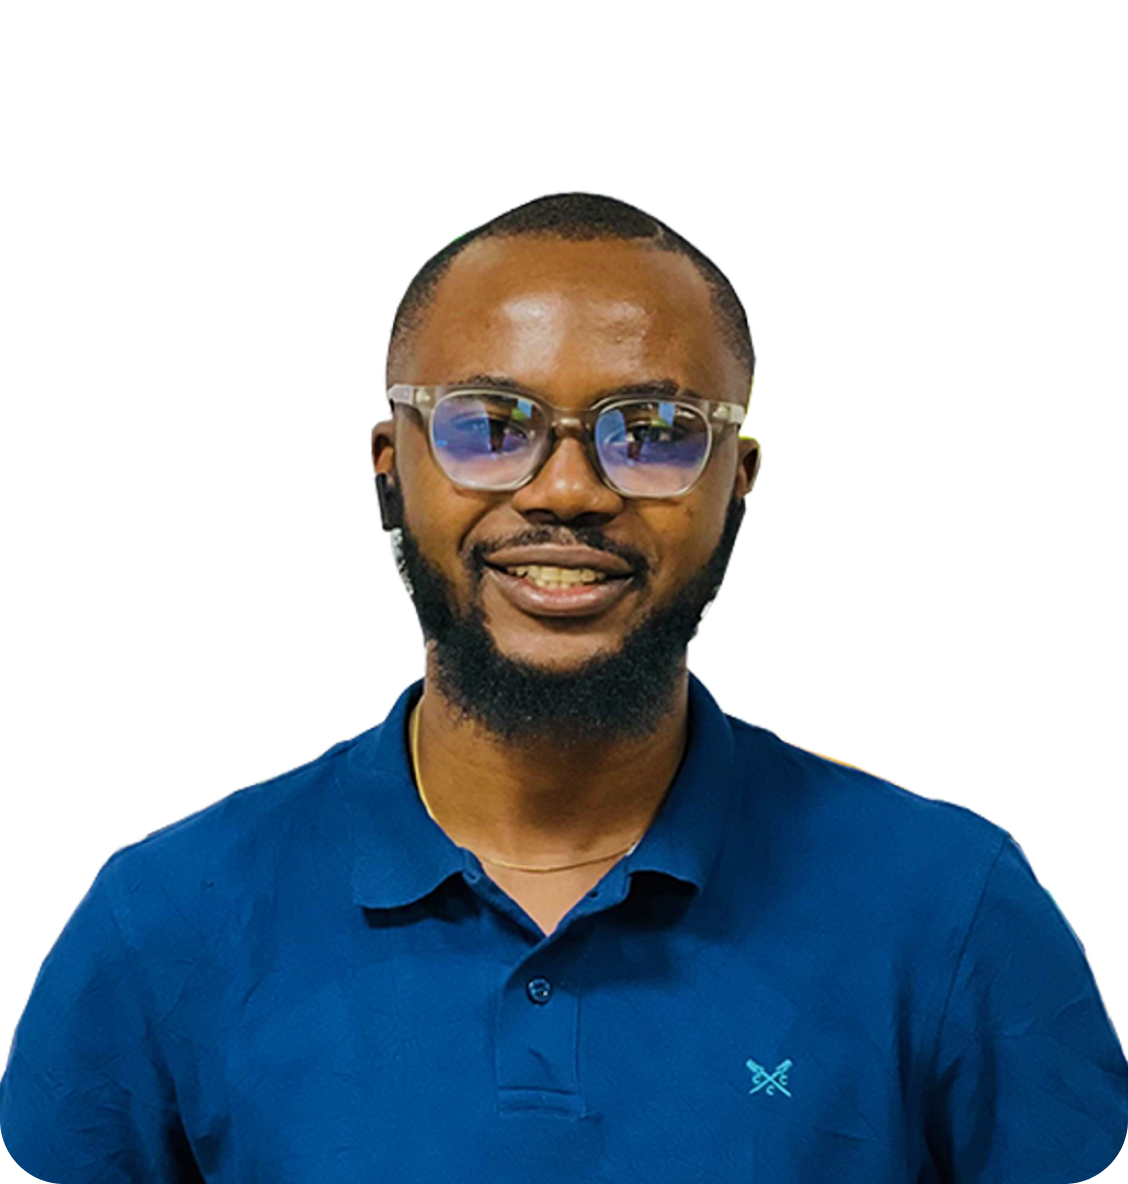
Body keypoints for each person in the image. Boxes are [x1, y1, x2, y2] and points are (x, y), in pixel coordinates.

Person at [1, 192, 1124, 1182]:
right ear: (392, 469)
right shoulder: (166, 922)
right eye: (490, 426)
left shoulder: (950, 907)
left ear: (736, 483)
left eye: (655, 432)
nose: (570, 490)